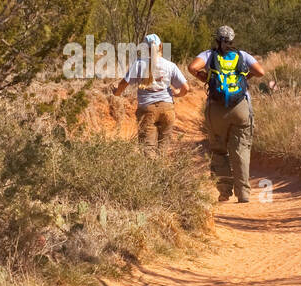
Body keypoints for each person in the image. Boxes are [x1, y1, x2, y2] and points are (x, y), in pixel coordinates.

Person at [188, 25, 266, 202]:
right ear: (233, 39)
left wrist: (205, 78)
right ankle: (244, 193)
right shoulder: (242, 55)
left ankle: (224, 192)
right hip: (240, 107)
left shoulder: (209, 55)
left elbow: (192, 67)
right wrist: (245, 79)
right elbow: (260, 72)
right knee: (241, 150)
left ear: (217, 39)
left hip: (216, 108)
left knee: (219, 149)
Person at [113, 33, 189, 155]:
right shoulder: (170, 66)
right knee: (162, 151)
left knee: (148, 150)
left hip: (147, 110)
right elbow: (186, 88)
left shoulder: (138, 64)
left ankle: (151, 172)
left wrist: (116, 93)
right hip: (168, 108)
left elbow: (123, 83)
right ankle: (161, 173)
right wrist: (177, 94)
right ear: (161, 46)